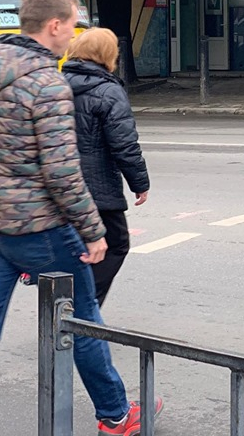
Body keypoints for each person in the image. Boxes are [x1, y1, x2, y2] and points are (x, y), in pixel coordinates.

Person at [0, 0, 162, 435]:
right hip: (40, 225)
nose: (73, 34)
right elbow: (62, 172)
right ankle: (115, 414)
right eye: (71, 24)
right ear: (54, 25)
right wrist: (93, 231)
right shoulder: (45, 83)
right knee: (83, 317)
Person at [63, 28, 150, 306]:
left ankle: (65, 304)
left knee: (76, 247)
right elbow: (124, 143)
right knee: (116, 244)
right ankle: (83, 308)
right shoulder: (108, 90)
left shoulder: (58, 83)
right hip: (98, 188)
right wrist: (140, 183)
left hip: (62, 184)